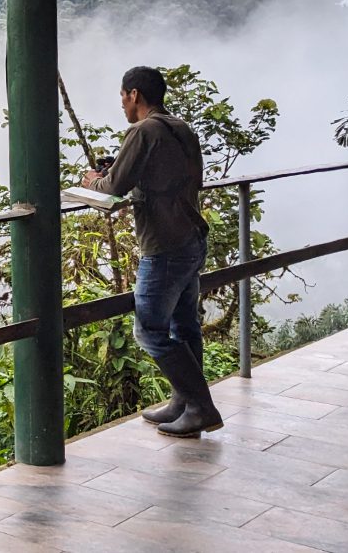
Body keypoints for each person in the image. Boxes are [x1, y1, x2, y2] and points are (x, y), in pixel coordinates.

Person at [81, 66, 222, 438]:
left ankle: (201, 406)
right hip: (191, 237)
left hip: (164, 246)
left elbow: (115, 186)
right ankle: (183, 402)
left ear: (135, 95)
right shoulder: (181, 128)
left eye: (123, 97)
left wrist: (94, 180)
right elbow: (169, 176)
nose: (123, 105)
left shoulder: (143, 130)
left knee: (149, 331)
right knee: (184, 324)